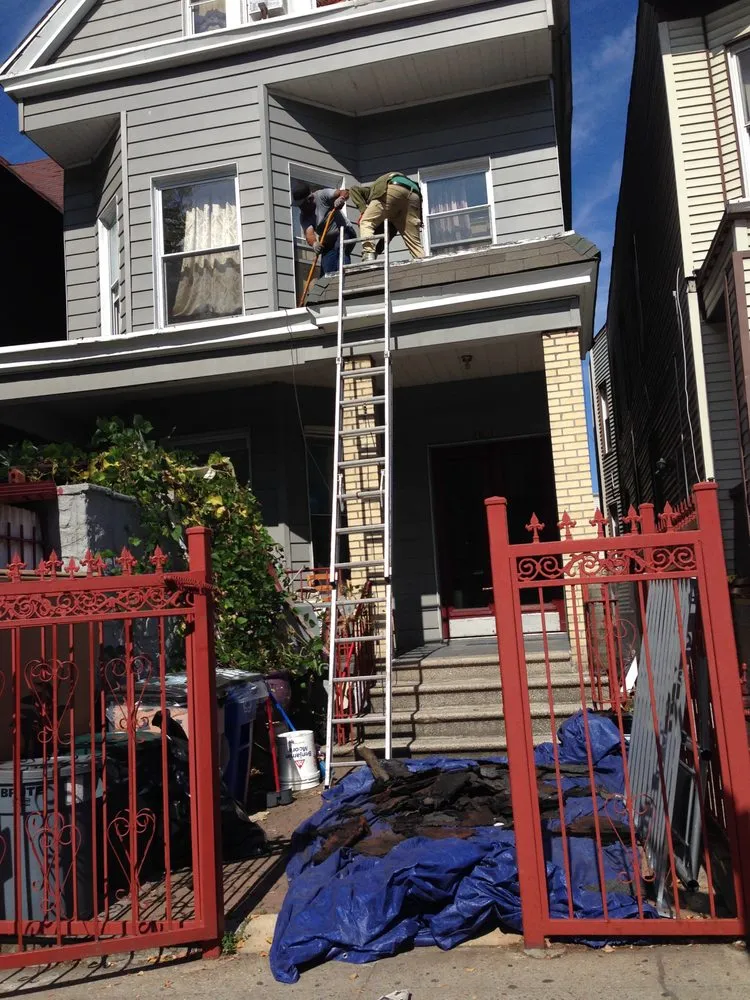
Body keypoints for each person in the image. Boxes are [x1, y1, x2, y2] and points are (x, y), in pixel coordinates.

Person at [350, 171, 424, 262]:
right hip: (415, 193)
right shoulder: (391, 223)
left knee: (366, 222)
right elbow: (386, 236)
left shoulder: (369, 192)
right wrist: (376, 252)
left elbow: (354, 189)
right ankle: (424, 263)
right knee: (414, 243)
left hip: (393, 186)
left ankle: (368, 256)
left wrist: (363, 212)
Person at [292, 182, 357, 276]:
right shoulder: (304, 217)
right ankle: (332, 288)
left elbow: (345, 192)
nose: (301, 208)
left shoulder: (322, 195)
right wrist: (314, 243)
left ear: (310, 199)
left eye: (302, 205)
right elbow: (309, 234)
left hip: (345, 232)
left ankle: (345, 280)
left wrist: (341, 198)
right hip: (328, 242)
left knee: (340, 249)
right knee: (327, 270)